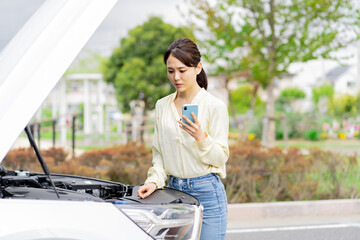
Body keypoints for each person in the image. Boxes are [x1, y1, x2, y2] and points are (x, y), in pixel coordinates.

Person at [137, 38, 229, 240]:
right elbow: (159, 154)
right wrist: (154, 181)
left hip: (207, 193)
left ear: (198, 68)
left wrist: (201, 137)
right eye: (171, 71)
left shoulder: (215, 106)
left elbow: (220, 158)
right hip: (173, 192)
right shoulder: (162, 106)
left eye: (182, 70)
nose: (176, 77)